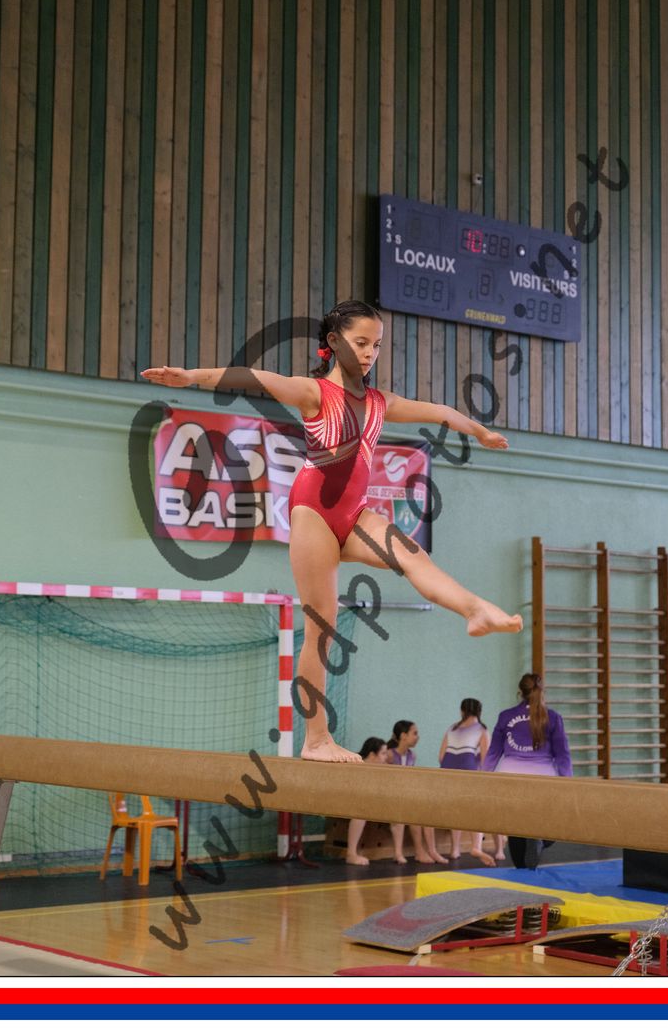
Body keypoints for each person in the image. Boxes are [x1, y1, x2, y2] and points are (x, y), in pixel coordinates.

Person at [141, 299, 522, 763]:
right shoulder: (315, 393)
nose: (369, 353)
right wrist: (190, 377)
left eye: (376, 346)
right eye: (361, 343)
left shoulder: (381, 403)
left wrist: (479, 432)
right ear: (333, 342)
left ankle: (474, 610)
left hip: (355, 514)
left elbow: (440, 411)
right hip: (314, 513)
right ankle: (316, 739)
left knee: (410, 554)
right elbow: (252, 377)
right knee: (321, 625)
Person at [482, 672, 573, 869]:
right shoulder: (553, 718)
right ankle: (540, 837)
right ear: (542, 691)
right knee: (548, 824)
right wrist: (568, 782)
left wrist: (481, 778)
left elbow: (493, 753)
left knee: (516, 826)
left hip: (511, 776)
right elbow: (562, 754)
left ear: (520, 692)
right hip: (542, 777)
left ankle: (522, 869)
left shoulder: (506, 716)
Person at [438, 698, 502, 866]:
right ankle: (476, 846)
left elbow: (441, 756)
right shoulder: (481, 730)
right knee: (476, 809)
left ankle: (455, 849)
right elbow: (486, 759)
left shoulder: (452, 728)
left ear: (462, 711)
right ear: (479, 712)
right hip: (468, 767)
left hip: (448, 769)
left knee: (456, 809)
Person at [387, 720, 448, 865]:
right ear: (403, 735)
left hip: (406, 796)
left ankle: (431, 850)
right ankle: (413, 852)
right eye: (414, 733)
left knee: (425, 812)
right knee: (410, 813)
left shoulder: (411, 756)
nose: (417, 737)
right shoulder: (389, 755)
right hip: (390, 796)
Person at [345, 737, 391, 866]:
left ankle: (398, 853)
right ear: (372, 755)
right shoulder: (356, 765)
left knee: (398, 814)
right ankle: (351, 853)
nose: (386, 757)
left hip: (366, 802)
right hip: (348, 802)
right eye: (383, 753)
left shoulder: (380, 769)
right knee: (361, 812)